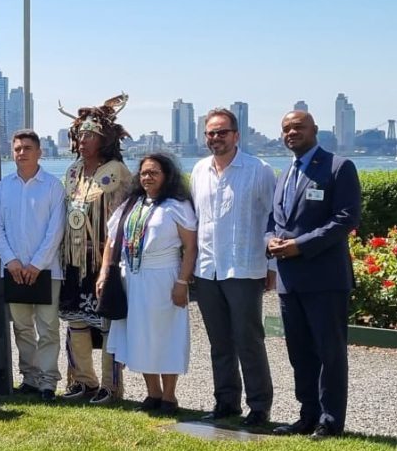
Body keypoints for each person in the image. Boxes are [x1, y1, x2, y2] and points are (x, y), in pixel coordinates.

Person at [267, 111, 361, 439]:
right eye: (286, 129)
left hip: (324, 279)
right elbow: (273, 222)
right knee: (300, 353)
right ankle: (307, 416)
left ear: (315, 131)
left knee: (329, 353)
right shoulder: (285, 173)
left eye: (298, 127)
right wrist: (272, 241)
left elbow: (346, 219)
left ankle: (330, 421)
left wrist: (299, 246)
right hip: (289, 281)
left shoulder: (338, 167)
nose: (292, 132)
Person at [190, 109, 277, 427]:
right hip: (207, 268)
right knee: (219, 342)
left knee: (248, 339)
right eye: (211, 133)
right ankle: (226, 402)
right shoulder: (199, 170)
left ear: (237, 135)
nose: (216, 138)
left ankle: (259, 406)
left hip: (244, 267)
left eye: (222, 132)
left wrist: (272, 265)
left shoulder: (259, 170)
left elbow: (273, 219)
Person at [99, 153, 197, 415]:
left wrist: (182, 282)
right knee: (141, 337)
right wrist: (103, 274)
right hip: (132, 278)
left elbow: (190, 247)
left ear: (167, 176)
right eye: (143, 173)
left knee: (167, 336)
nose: (147, 177)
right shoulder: (130, 205)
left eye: (154, 172)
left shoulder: (177, 206)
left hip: (164, 277)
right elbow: (111, 242)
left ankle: (169, 396)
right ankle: (152, 393)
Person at [57, 94, 132, 404]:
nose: (84, 140)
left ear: (105, 139)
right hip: (73, 259)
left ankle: (110, 387)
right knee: (76, 321)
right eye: (80, 134)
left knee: (107, 322)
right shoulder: (73, 172)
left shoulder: (116, 172)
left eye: (91, 135)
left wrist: (111, 262)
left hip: (103, 260)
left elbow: (123, 219)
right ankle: (82, 382)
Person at [0, 129, 66, 401]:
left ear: (39, 152)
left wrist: (36, 264)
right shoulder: (3, 187)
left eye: (27, 148)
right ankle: (30, 378)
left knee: (47, 328)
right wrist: (11, 261)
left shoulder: (53, 186)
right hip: (13, 271)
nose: (22, 153)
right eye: (17, 148)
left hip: (46, 270)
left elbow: (56, 230)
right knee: (21, 327)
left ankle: (48, 382)